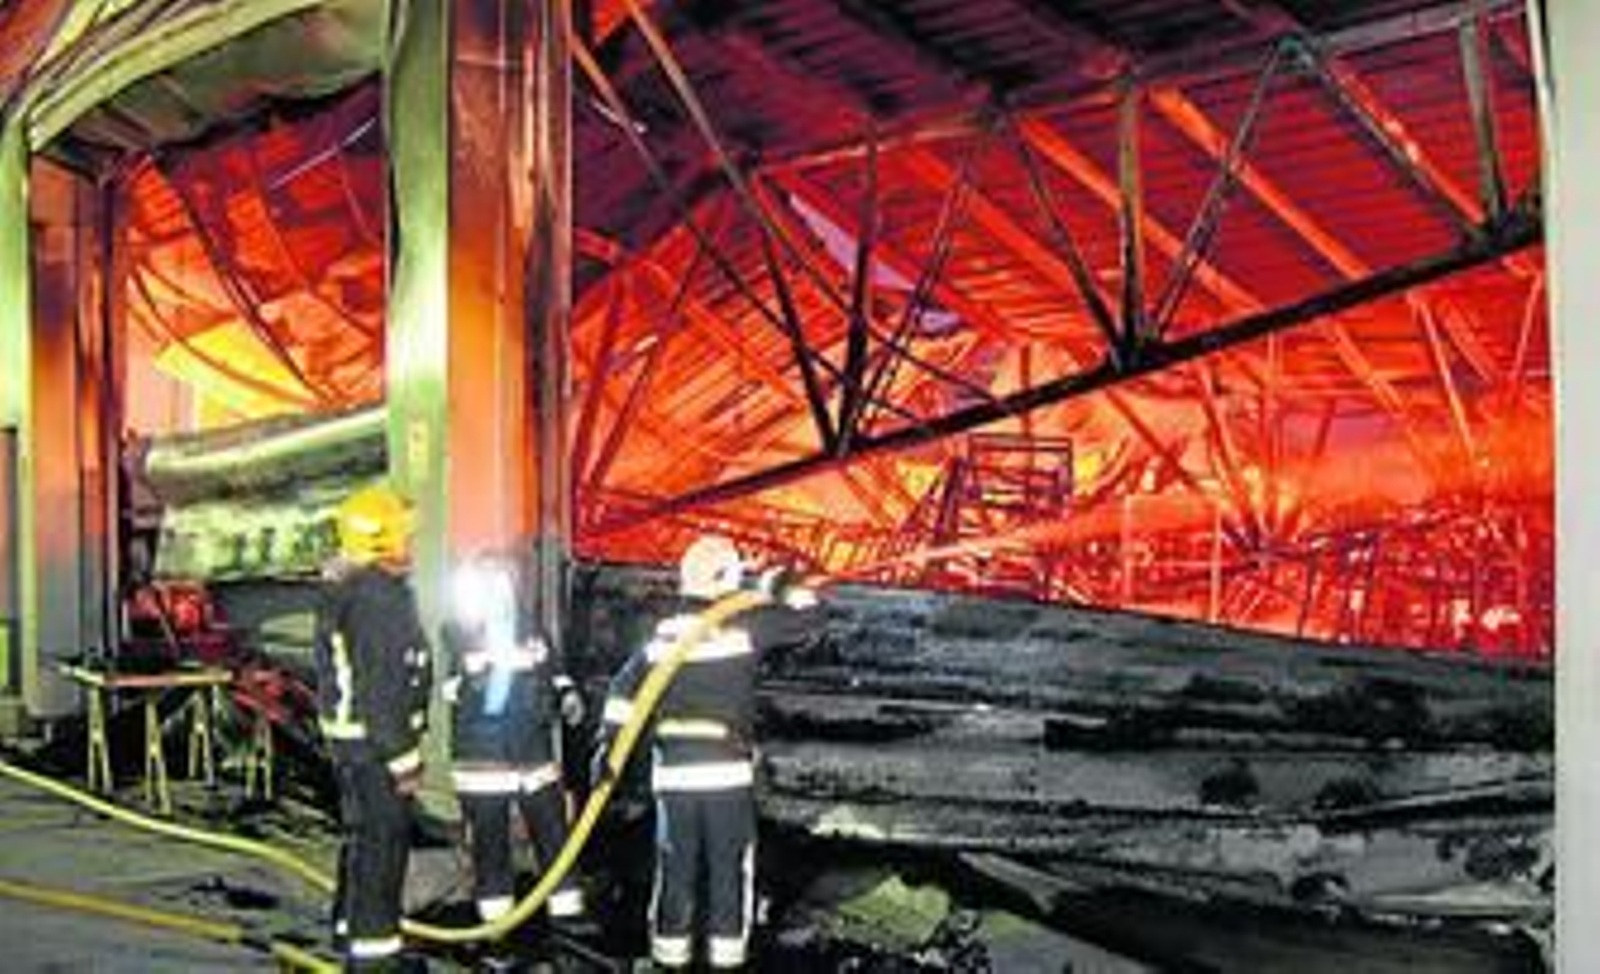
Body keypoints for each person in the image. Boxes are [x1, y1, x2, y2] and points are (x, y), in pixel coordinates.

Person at [594, 535, 819, 971]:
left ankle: (668, 959)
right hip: (724, 775)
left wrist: (608, 747)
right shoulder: (744, 625)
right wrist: (785, 586)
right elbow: (811, 619)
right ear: (725, 579)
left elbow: (623, 691)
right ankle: (726, 960)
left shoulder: (663, 635)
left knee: (675, 869)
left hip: (673, 776)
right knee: (728, 869)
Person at [313, 483, 432, 971]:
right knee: (384, 844)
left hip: (353, 744)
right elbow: (381, 692)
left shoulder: (349, 588)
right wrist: (405, 758)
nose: (412, 542)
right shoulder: (377, 600)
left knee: (362, 838)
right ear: (381, 541)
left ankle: (350, 930)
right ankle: (376, 956)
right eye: (404, 534)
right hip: (374, 746)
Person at [443, 554, 586, 931]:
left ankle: (567, 915)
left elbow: (553, 672)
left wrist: (567, 693)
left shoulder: (531, 628)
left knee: (554, 833)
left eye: (504, 582)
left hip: (532, 754)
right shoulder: (459, 632)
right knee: (491, 846)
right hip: (484, 757)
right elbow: (452, 688)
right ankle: (497, 926)